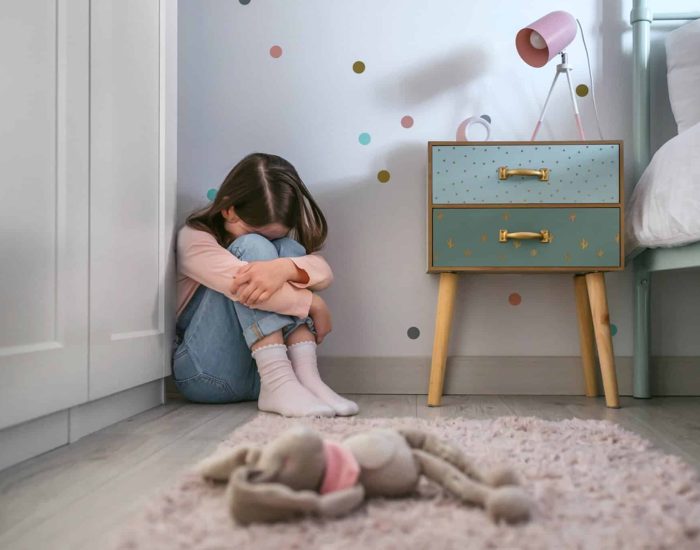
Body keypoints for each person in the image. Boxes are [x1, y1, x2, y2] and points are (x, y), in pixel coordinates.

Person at [174, 153, 358, 417]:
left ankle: (307, 378)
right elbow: (247, 285)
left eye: (275, 234)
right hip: (206, 374)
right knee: (254, 249)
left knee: (289, 249)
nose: (266, 243)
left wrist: (284, 267)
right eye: (254, 229)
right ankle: (278, 381)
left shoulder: (278, 243)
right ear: (229, 209)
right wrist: (313, 303)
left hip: (260, 375)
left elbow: (323, 272)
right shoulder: (194, 240)